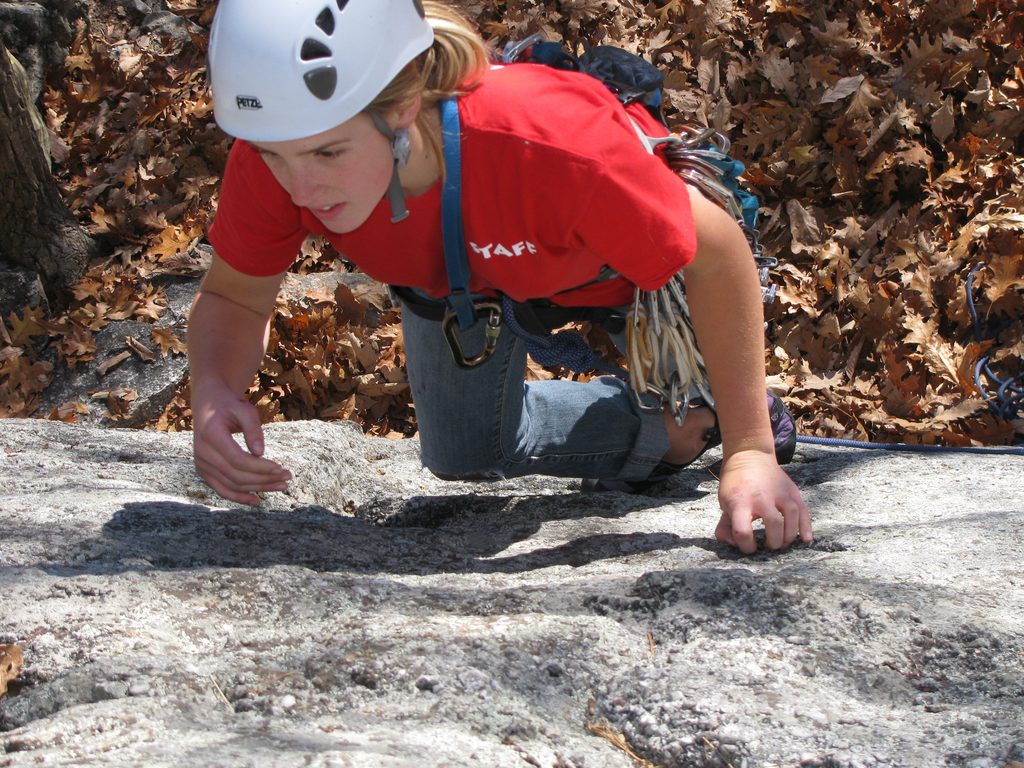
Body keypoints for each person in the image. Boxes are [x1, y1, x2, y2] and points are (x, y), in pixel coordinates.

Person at [189, 0, 813, 554]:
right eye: (275, 156)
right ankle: (676, 426)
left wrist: (751, 451)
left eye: (328, 153)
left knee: (712, 375)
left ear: (403, 108)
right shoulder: (279, 146)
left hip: (628, 279)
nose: (300, 188)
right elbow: (235, 298)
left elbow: (714, 252)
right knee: (462, 455)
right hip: (464, 282)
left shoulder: (552, 147)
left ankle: (719, 406)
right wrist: (214, 391)